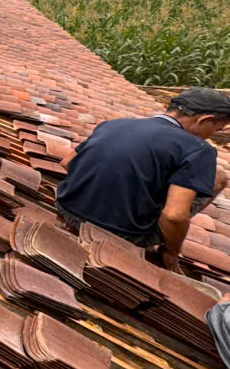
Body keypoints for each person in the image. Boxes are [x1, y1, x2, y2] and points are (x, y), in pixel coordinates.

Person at [56, 88, 230, 270]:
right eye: (215, 130)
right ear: (205, 120)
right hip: (125, 234)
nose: (210, 136)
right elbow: (174, 215)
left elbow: (67, 162)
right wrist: (172, 252)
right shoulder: (198, 149)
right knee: (218, 179)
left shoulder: (114, 124)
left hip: (67, 209)